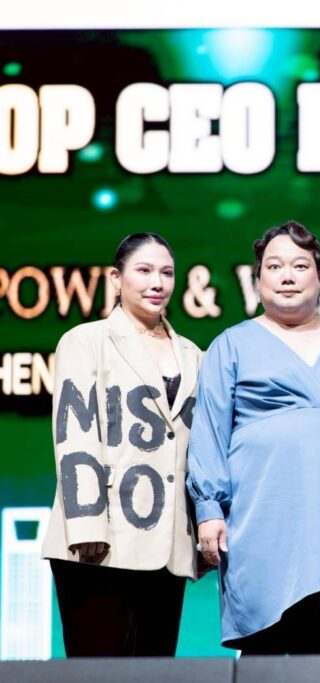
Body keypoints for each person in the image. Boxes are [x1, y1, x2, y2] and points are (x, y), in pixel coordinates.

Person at [186, 221, 320, 655]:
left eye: (300, 266)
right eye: (274, 266)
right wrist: (208, 509)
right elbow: (209, 431)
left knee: (316, 649)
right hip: (257, 516)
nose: (287, 276)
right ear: (258, 278)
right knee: (261, 649)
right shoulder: (231, 344)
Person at [42, 233, 202, 656]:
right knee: (99, 672)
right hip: (101, 538)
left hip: (168, 544)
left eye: (166, 273)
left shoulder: (192, 354)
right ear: (116, 278)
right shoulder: (86, 340)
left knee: (154, 672)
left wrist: (199, 528)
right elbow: (74, 432)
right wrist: (86, 523)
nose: (157, 283)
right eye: (144, 271)